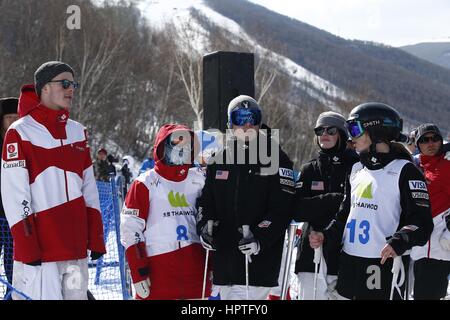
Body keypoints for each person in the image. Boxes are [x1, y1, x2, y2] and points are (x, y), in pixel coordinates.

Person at [1, 61, 106, 300]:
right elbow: (15, 195)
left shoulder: (78, 131)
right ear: (44, 87)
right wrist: (27, 246)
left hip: (76, 251)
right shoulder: (20, 131)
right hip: (41, 254)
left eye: (73, 84)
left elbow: (89, 188)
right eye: (65, 83)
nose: (71, 90)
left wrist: (96, 236)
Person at [309, 102, 433, 300]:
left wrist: (399, 241)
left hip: (383, 264)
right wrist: (326, 235)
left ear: (375, 131)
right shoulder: (357, 169)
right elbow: (345, 215)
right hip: (350, 262)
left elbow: (422, 222)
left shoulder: (405, 170)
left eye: (355, 129)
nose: (351, 137)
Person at [196, 95, 296, 300]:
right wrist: (204, 226)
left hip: (256, 264)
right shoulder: (219, 159)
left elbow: (283, 208)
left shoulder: (276, 157)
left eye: (253, 117)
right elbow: (207, 202)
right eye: (240, 118)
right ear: (230, 123)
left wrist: (259, 237)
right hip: (224, 265)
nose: (247, 124)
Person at [120, 124, 211, 300]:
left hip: (196, 274)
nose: (181, 148)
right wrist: (138, 271)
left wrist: (214, 265)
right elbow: (130, 229)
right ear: (163, 146)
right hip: (158, 275)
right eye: (176, 141)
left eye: (186, 144)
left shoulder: (199, 180)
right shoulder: (145, 183)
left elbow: (211, 222)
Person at [294, 111, 359, 300]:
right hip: (311, 255)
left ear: (342, 134)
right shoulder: (310, 169)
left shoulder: (356, 166)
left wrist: (318, 205)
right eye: (320, 130)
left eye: (331, 130)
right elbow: (297, 210)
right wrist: (332, 199)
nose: (324, 134)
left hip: (345, 255)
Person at [410, 124, 450, 300]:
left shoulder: (447, 168)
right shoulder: (413, 166)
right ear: (418, 144)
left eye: (435, 138)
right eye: (425, 139)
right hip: (416, 248)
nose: (431, 143)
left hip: (437, 250)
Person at [0, 97, 19, 299]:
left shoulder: (23, 141)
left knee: (13, 264)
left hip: (15, 216)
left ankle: (12, 295)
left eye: (16, 117)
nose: (13, 120)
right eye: (9, 117)